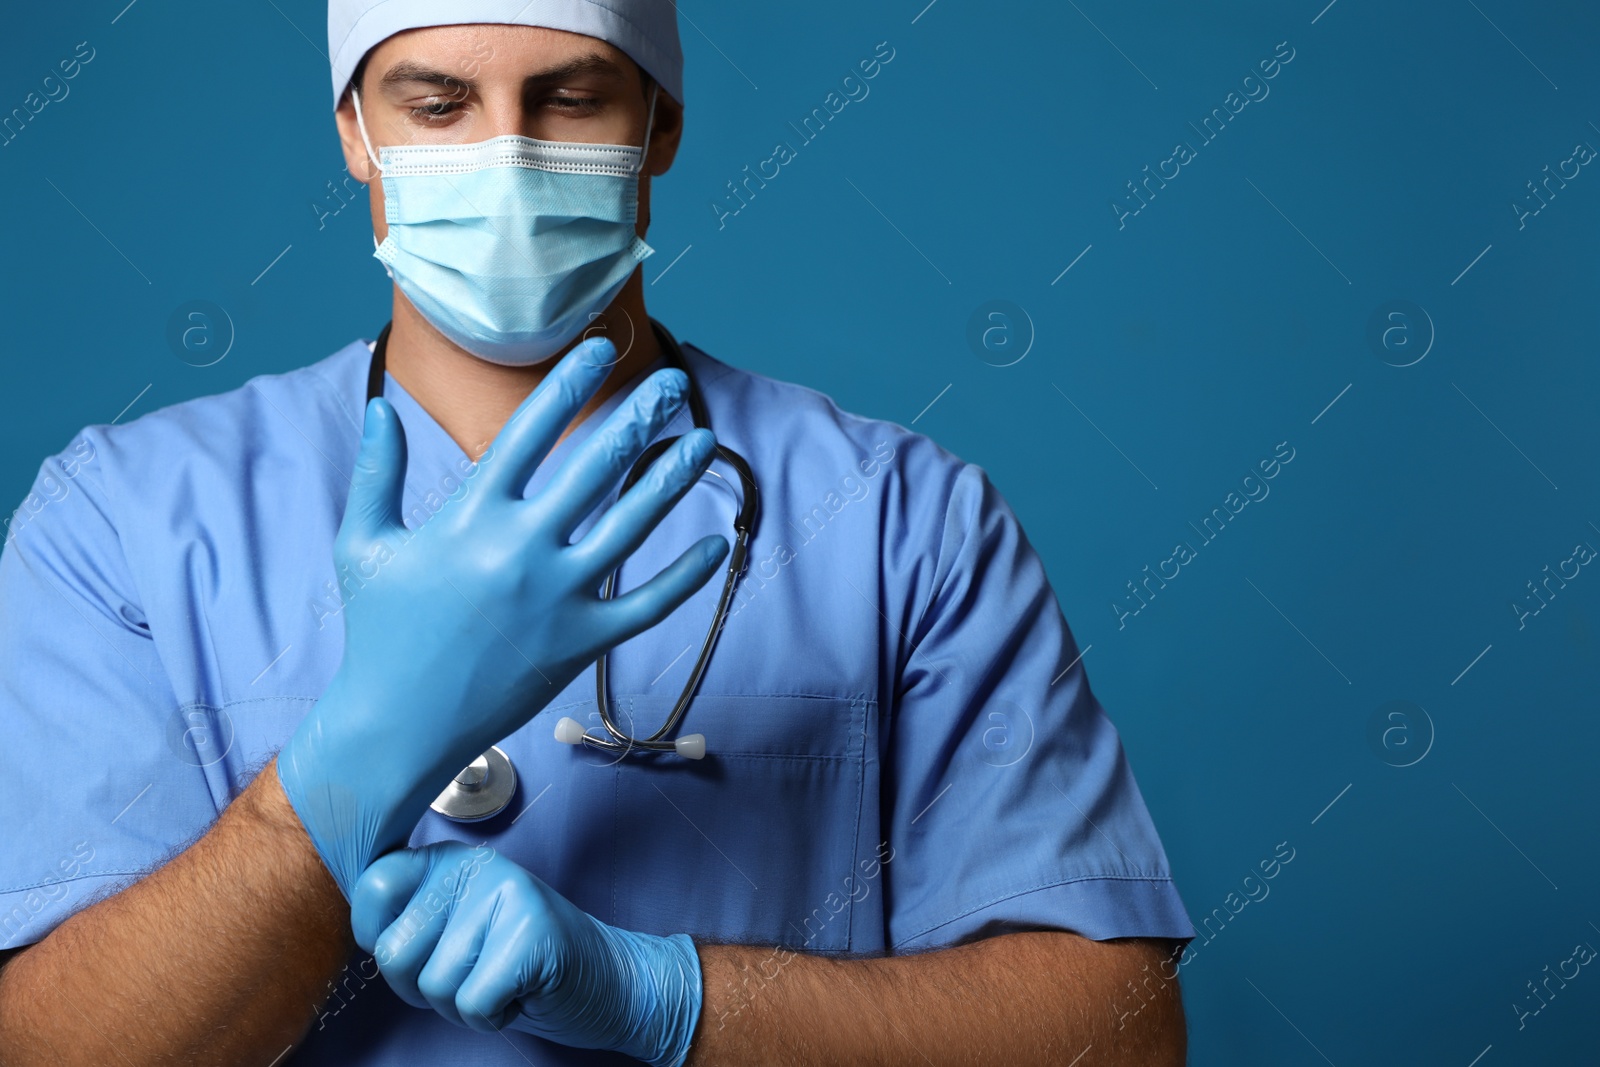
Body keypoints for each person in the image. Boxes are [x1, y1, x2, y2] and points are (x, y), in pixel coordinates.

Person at [0, 2, 1196, 1063]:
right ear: (355, 129)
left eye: (571, 99)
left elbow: (1116, 1033)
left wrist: (659, 997)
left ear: (661, 123)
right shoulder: (120, 521)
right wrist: (350, 764)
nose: (505, 159)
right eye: (439, 104)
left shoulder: (898, 520)